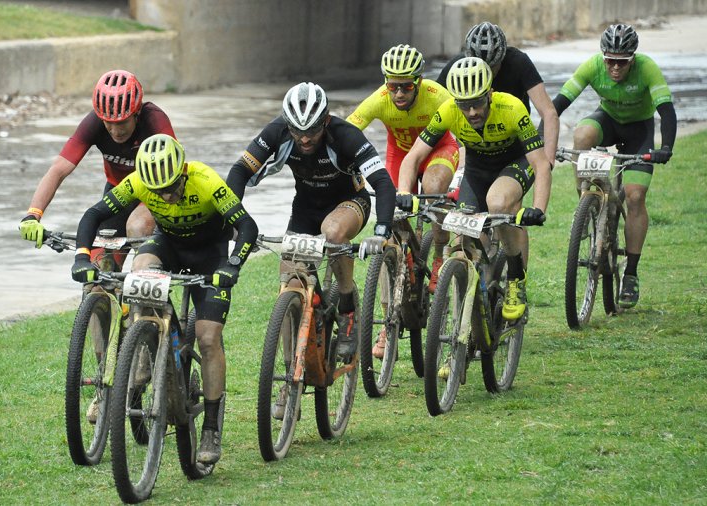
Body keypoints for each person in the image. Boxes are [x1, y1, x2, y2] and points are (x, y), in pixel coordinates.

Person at [70, 133, 259, 465]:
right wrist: (82, 256)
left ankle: (211, 428)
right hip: (168, 244)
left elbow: (246, 226)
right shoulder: (140, 182)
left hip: (210, 253)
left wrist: (232, 265)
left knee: (208, 337)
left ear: (183, 171)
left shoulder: (206, 180)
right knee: (139, 271)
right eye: (159, 192)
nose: (167, 197)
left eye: (172, 188)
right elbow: (93, 215)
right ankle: (145, 345)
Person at [226, 82, 396, 363]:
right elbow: (240, 170)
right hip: (305, 209)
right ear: (287, 124)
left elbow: (382, 182)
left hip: (349, 203)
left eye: (313, 131)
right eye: (297, 132)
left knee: (333, 231)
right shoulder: (276, 131)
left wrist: (381, 231)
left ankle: (347, 307)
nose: (304, 139)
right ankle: (290, 371)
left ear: (326, 121)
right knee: (289, 282)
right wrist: (231, 217)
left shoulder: (346, 136)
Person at [398, 57, 551, 321]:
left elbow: (541, 163)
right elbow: (413, 157)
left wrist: (538, 208)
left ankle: (516, 277)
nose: (471, 113)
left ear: (490, 94)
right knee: (463, 236)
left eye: (478, 103)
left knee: (498, 203)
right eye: (464, 105)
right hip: (477, 171)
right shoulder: (448, 110)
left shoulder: (512, 108)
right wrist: (404, 192)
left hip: (515, 163)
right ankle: (469, 320)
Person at [552, 24, 677, 309]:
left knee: (634, 196)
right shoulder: (592, 66)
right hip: (608, 121)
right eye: (609, 60)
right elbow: (558, 104)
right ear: (602, 57)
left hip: (639, 132)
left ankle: (631, 273)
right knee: (582, 135)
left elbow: (666, 110)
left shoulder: (647, 68)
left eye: (621, 62)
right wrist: (541, 139)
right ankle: (585, 203)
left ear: (632, 58)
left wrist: (666, 147)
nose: (614, 67)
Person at [19, 69, 176, 268]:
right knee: (100, 270)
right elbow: (58, 169)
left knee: (138, 226)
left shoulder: (154, 119)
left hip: (153, 194)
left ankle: (145, 280)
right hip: (117, 194)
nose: (115, 131)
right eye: (108, 123)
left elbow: (176, 169)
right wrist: (33, 214)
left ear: (136, 114)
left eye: (122, 123)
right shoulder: (94, 123)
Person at [347, 44, 460, 304]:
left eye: (406, 87)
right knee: (394, 215)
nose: (398, 93)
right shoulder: (379, 99)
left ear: (419, 81)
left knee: (433, 187)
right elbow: (347, 132)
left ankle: (440, 253)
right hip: (399, 156)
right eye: (392, 86)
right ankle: (402, 265)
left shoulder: (437, 95)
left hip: (438, 151)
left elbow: (465, 137)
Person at [438, 21, 559, 166]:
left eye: (492, 67)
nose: (487, 74)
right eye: (480, 69)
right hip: (475, 143)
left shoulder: (518, 62)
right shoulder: (458, 68)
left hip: (512, 141)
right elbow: (435, 109)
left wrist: (548, 161)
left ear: (503, 57)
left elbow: (548, 112)